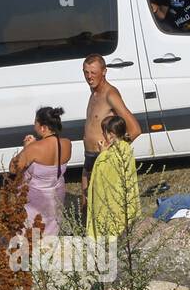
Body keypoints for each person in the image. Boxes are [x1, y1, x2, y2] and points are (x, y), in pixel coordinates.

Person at [80, 54, 142, 205]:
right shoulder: (94, 92)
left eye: (93, 72)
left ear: (104, 71)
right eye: (86, 72)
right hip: (90, 157)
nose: (89, 77)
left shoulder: (110, 94)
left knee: (105, 204)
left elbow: (135, 129)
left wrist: (114, 151)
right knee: (86, 204)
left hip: (103, 156)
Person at [8, 106, 72, 237]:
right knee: (51, 230)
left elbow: (13, 168)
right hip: (56, 194)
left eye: (35, 123)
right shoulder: (67, 144)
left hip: (37, 198)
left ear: (43, 127)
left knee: (32, 233)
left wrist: (26, 148)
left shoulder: (34, 149)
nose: (34, 126)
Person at [86, 114, 141, 238]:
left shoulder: (116, 151)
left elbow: (103, 171)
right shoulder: (125, 147)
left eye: (106, 132)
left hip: (114, 200)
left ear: (111, 133)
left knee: (112, 226)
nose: (106, 136)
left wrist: (102, 154)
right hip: (123, 197)